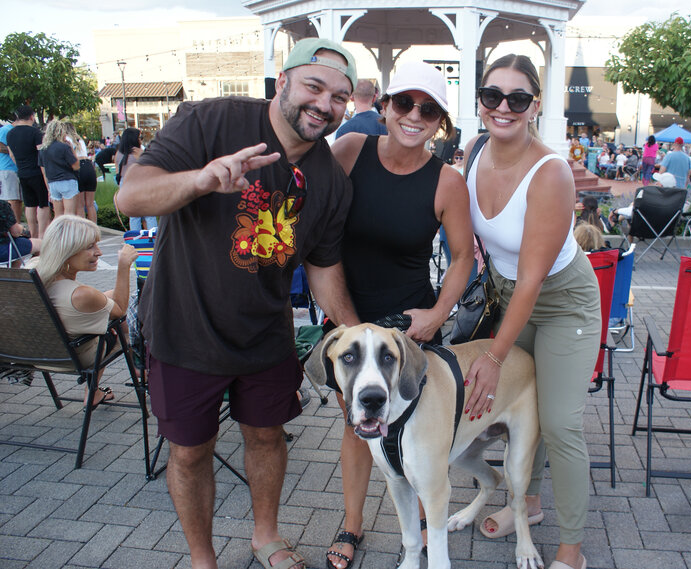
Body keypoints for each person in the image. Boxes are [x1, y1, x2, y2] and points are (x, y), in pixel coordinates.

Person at [115, 37, 361, 569]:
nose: (325, 103)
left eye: (340, 96)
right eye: (314, 86)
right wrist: (200, 180)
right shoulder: (212, 121)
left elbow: (323, 271)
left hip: (265, 333)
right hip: (185, 326)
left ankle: (265, 536)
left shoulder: (330, 182)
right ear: (284, 83)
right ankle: (203, 558)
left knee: (268, 436)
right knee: (190, 451)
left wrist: (358, 344)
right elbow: (129, 197)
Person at [326, 61, 473, 569]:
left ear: (440, 122)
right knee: (355, 422)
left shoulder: (447, 181)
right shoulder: (350, 150)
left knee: (415, 424)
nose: (415, 116)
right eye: (405, 103)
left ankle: (429, 528)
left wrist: (435, 314)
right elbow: (316, 223)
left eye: (428, 109)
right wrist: (338, 317)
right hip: (347, 309)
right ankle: (352, 523)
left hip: (409, 323)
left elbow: (463, 259)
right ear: (384, 106)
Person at [464, 53, 600, 569]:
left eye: (517, 98)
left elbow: (533, 279)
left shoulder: (551, 173)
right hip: (507, 295)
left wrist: (494, 356)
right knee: (523, 412)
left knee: (560, 421)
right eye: (492, 95)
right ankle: (530, 503)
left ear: (535, 105)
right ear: (480, 101)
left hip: (562, 303)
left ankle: (572, 548)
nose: (503, 107)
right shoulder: (474, 152)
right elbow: (468, 246)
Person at [35, 215, 137, 406]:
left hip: (37, 353)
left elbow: (97, 301)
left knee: (106, 308)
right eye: (90, 246)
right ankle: (137, 371)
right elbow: (120, 309)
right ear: (67, 250)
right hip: (76, 356)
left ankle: (105, 386)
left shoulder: (34, 271)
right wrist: (124, 266)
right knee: (121, 323)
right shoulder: (81, 294)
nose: (98, 252)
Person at [6, 105, 51, 238]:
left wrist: (20, 166)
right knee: (43, 204)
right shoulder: (35, 133)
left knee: (30, 204)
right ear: (32, 117)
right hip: (37, 172)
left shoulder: (10, 134)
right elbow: (41, 154)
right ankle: (42, 235)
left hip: (22, 172)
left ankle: (32, 234)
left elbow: (11, 155)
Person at [115, 128, 157, 232]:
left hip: (125, 184)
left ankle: (135, 239)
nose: (140, 140)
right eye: (139, 137)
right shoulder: (138, 152)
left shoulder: (119, 154)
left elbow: (117, 172)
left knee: (134, 215)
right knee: (149, 213)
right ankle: (153, 239)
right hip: (139, 183)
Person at [38, 120, 80, 218]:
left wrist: (48, 188)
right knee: (69, 215)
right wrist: (72, 149)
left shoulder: (43, 149)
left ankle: (58, 233)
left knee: (58, 215)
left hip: (52, 183)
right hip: (67, 180)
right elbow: (76, 166)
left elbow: (43, 171)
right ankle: (69, 233)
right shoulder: (64, 147)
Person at [66, 125, 98, 223]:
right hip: (89, 166)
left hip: (78, 167)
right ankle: (94, 229)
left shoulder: (66, 140)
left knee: (80, 205)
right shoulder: (80, 140)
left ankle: (83, 232)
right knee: (90, 204)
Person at [0, 198, 40, 266]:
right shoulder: (2, 205)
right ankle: (39, 274)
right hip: (3, 249)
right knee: (42, 244)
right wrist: (21, 228)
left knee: (18, 246)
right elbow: (15, 232)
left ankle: (13, 274)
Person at [0, 119, 23, 223]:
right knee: (12, 199)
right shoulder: (5, 130)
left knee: (18, 200)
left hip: (18, 169)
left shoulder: (20, 131)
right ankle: (12, 227)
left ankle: (17, 225)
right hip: (7, 168)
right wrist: (14, 150)